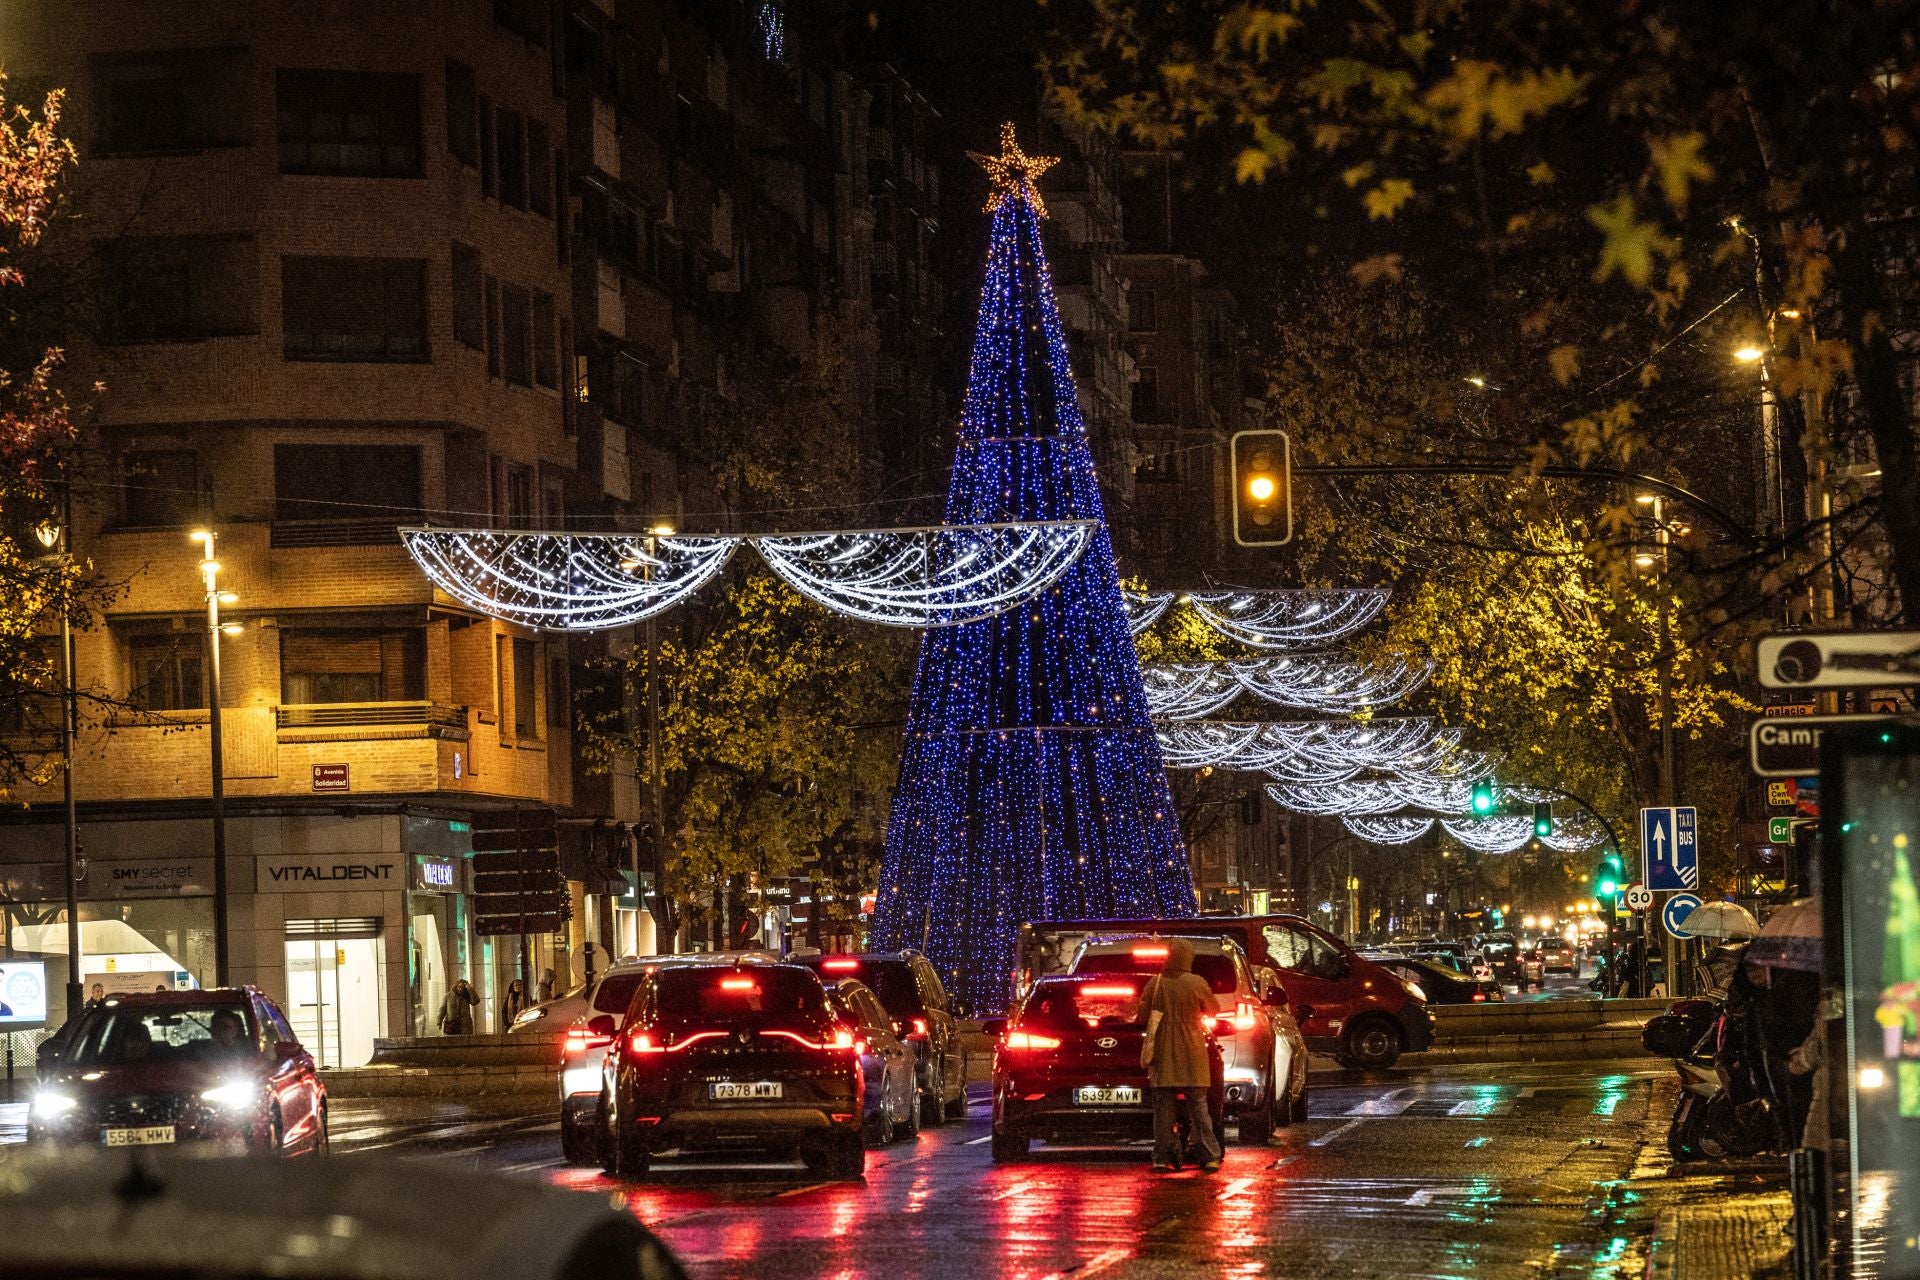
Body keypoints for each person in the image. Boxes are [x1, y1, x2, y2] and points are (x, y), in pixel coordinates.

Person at [1138, 938, 1223, 1173]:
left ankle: (1160, 1155)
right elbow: (1213, 1009)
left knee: (1163, 1111)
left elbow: (1142, 1014)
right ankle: (1209, 1155)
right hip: (1192, 1051)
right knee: (1198, 1108)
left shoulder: (1155, 984)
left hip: (1163, 1053)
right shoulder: (1197, 983)